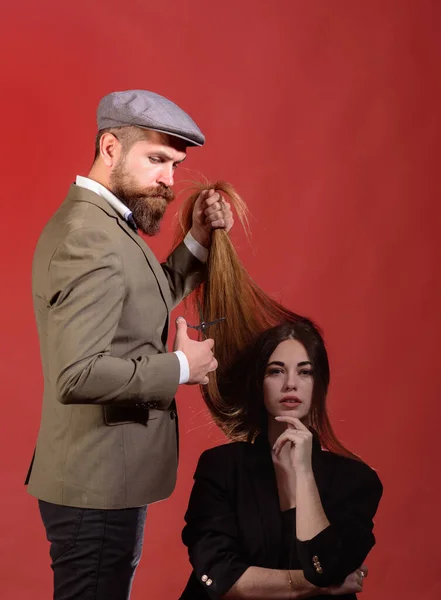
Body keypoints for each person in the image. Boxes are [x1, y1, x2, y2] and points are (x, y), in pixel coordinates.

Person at [26, 89, 233, 600]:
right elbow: (76, 374)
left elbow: (148, 294)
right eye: (157, 160)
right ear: (111, 147)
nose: (169, 178)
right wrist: (181, 367)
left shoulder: (107, 226)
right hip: (94, 489)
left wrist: (200, 238)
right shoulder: (88, 236)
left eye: (175, 164)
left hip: (102, 483)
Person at [180, 319, 383, 599]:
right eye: (276, 372)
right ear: (259, 383)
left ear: (319, 384)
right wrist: (317, 585)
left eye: (305, 372)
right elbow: (220, 577)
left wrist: (304, 474)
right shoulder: (221, 467)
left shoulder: (356, 481)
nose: (290, 384)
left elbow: (325, 565)